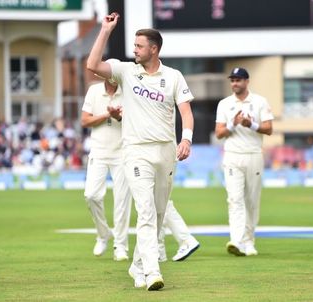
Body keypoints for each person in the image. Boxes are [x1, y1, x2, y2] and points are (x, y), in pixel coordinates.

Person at [86, 13, 194, 291]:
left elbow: (186, 112)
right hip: (135, 152)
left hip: (166, 152)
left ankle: (136, 265)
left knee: (158, 214)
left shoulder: (173, 76)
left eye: (139, 46)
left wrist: (187, 140)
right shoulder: (125, 71)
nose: (134, 49)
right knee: (145, 212)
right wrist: (105, 30)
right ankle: (152, 271)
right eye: (134, 45)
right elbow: (92, 64)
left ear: (154, 49)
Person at [214, 67, 274, 257]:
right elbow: (219, 133)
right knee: (234, 199)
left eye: (238, 80)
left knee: (252, 201)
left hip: (254, 154)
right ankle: (236, 240)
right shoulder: (224, 104)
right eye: (232, 80)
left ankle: (249, 241)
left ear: (247, 81)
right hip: (232, 156)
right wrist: (233, 123)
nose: (235, 84)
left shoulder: (259, 102)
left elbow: (269, 128)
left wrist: (251, 124)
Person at [81, 63, 132, 262]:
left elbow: (133, 121)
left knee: (121, 201)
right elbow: (85, 121)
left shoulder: (128, 92)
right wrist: (107, 115)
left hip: (122, 152)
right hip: (99, 151)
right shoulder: (94, 91)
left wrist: (118, 116)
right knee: (91, 195)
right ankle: (103, 234)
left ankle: (121, 246)